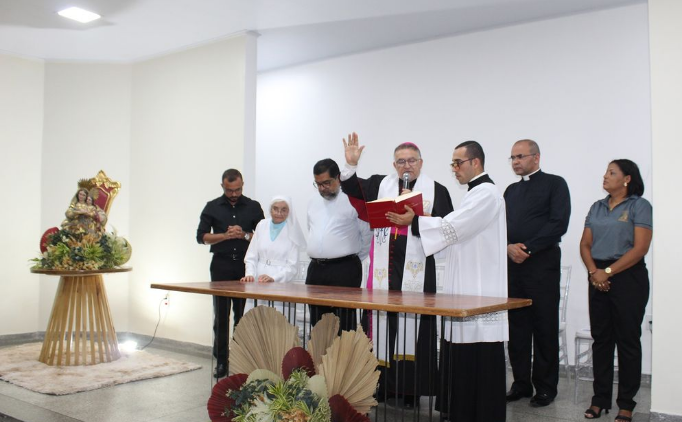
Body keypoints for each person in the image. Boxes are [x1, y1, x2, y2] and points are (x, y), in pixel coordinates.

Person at [395, 141, 507, 422]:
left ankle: (478, 414)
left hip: (480, 286)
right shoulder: (475, 194)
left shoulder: (487, 193)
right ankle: (462, 410)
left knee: (478, 354)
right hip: (467, 281)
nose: (454, 169)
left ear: (476, 163)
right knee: (462, 355)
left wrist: (416, 221)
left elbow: (455, 225)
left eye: (458, 163)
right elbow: (454, 231)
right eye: (453, 163)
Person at [340, 133, 453, 407]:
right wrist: (351, 165)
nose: (406, 166)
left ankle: (411, 390)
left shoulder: (437, 189)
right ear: (394, 165)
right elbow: (353, 189)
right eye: (401, 161)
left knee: (415, 326)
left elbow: (448, 227)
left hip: (416, 269)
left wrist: (418, 219)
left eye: (411, 161)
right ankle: (383, 386)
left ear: (421, 163)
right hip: (385, 267)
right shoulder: (382, 184)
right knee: (384, 325)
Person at [579, 160, 652, 422]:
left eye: (612, 173)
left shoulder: (639, 206)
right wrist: (594, 272)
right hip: (597, 275)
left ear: (627, 179)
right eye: (605, 172)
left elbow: (640, 248)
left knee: (628, 342)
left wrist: (607, 273)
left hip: (628, 277)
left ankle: (626, 404)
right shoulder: (596, 207)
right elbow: (585, 244)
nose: (605, 176)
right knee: (602, 340)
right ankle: (599, 400)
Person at [504, 139, 571, 407]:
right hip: (513, 266)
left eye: (520, 156)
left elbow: (559, 223)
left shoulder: (555, 184)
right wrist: (508, 247)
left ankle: (546, 387)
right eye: (512, 158)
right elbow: (501, 225)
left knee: (544, 327)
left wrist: (528, 249)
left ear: (536, 157)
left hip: (542, 265)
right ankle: (521, 383)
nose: (516, 162)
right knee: (517, 328)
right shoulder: (509, 190)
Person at [196, 169, 264, 379]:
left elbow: (263, 236)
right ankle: (222, 362)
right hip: (221, 266)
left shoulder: (253, 206)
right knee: (221, 316)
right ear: (222, 186)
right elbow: (201, 237)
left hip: (245, 267)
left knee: (242, 316)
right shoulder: (212, 206)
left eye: (238, 189)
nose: (234, 194)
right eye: (229, 190)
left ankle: (241, 360)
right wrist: (225, 236)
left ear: (243, 184)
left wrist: (243, 235)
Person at [306, 158, 372, 332]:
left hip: (344, 270)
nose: (322, 188)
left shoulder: (353, 200)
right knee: (317, 324)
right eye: (318, 184)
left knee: (344, 325)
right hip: (316, 270)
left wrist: (352, 258)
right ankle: (320, 359)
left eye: (327, 183)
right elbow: (312, 231)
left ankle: (342, 359)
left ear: (338, 178)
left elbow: (367, 234)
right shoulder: (312, 202)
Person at [240, 195, 306, 284]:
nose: (279, 213)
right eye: (275, 209)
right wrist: (250, 274)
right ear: (270, 210)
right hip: (258, 278)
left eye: (283, 210)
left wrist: (274, 278)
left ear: (289, 212)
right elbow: (251, 256)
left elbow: (292, 267)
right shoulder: (262, 225)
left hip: (281, 281)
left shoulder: (292, 230)